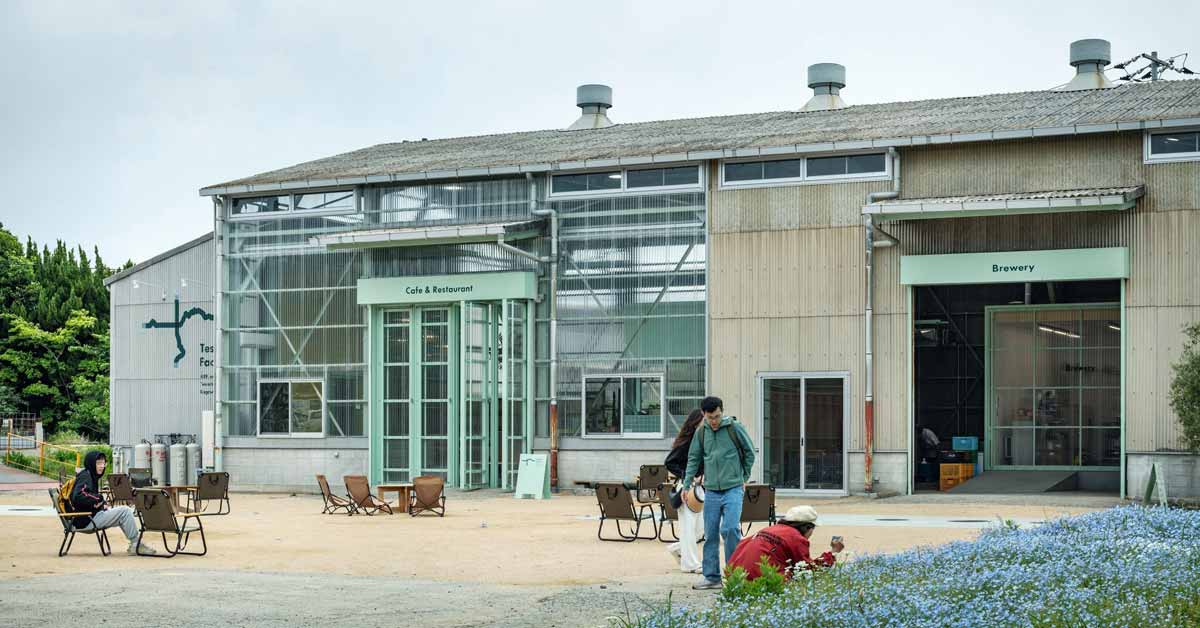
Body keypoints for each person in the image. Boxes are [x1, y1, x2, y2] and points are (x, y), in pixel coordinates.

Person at [682, 396, 755, 590]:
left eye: (717, 416)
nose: (714, 421)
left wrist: (743, 477)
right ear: (703, 415)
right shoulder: (701, 432)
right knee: (711, 534)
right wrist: (686, 484)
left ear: (722, 412)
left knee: (730, 529)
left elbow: (750, 453)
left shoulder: (734, 428)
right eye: (710, 417)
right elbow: (693, 458)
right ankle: (712, 577)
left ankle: (735, 576)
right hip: (712, 490)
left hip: (733, 488)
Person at [69, 451, 155, 555]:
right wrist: (99, 499)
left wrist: (101, 503)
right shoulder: (85, 476)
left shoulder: (90, 475)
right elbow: (78, 495)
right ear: (91, 463)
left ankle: (135, 544)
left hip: (88, 517)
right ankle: (135, 545)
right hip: (86, 520)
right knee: (125, 511)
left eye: (103, 463)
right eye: (98, 463)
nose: (102, 466)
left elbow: (87, 497)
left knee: (123, 515)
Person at [726, 505, 843, 581]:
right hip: (760, 581)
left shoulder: (768, 529)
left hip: (735, 577)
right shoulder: (796, 538)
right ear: (808, 527)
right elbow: (809, 570)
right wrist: (833, 553)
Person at [664, 409, 705, 573]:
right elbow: (669, 462)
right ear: (696, 423)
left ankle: (678, 548)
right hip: (687, 487)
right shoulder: (686, 442)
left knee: (699, 528)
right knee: (689, 526)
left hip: (700, 488)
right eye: (704, 421)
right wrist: (688, 476)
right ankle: (691, 564)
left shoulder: (704, 440)